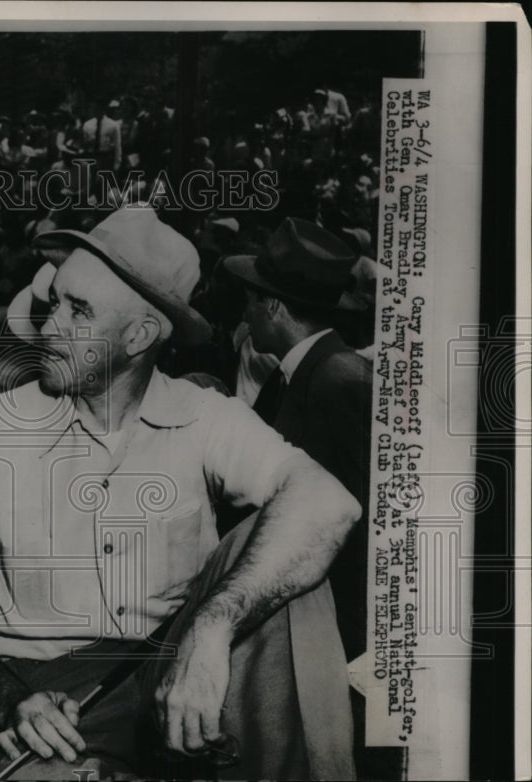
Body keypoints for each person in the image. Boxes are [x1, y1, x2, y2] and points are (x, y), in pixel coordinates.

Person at [0, 205, 359, 780]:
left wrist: (212, 627)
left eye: (78, 311)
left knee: (286, 552)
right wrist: (10, 698)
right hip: (48, 688)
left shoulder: (204, 415)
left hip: (173, 667)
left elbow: (331, 503)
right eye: (56, 303)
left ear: (140, 335)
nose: (50, 327)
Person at [223, 217, 394, 780]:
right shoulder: (301, 375)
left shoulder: (338, 382)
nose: (244, 315)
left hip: (345, 638)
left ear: (275, 307)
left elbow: (371, 529)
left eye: (251, 301)